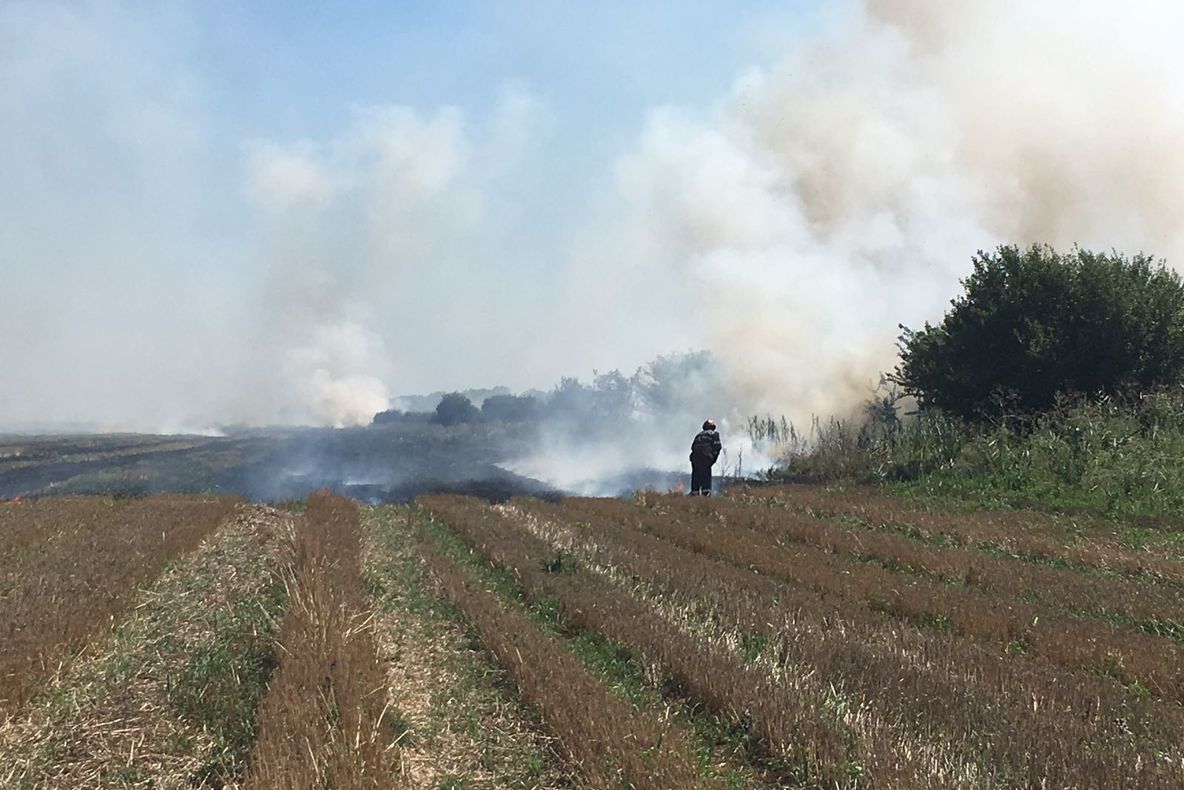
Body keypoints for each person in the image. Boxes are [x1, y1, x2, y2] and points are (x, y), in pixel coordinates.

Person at [689, 419, 722, 495]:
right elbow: (717, 447)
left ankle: (695, 493)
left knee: (696, 475)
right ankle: (706, 493)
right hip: (705, 457)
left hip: (695, 458)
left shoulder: (699, 435)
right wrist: (712, 460)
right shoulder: (715, 434)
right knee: (706, 475)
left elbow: (693, 447)